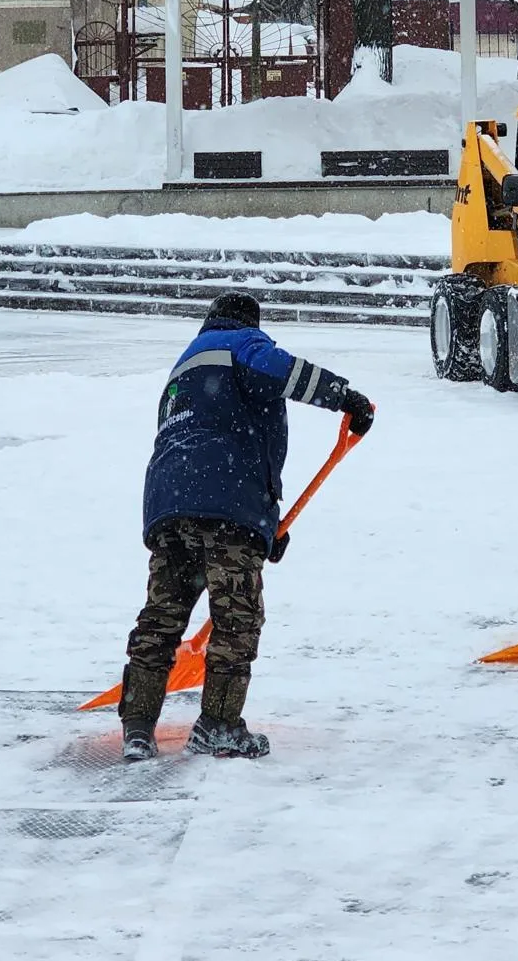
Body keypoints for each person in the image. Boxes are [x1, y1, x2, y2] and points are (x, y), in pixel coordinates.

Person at [119, 292, 375, 762]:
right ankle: (217, 725)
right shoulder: (243, 344)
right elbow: (282, 371)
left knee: (162, 615)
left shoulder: (185, 366)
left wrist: (263, 528)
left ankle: (137, 727)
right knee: (237, 618)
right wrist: (345, 396)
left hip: (169, 503)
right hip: (226, 498)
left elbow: (206, 438)